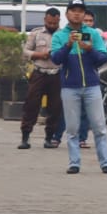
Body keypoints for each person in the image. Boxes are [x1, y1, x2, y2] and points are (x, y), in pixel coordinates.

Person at [50, 0, 107, 175]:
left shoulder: (92, 34)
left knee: (99, 126)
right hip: (70, 87)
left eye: (80, 10)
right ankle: (74, 163)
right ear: (67, 13)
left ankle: (105, 163)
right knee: (72, 128)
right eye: (73, 10)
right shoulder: (59, 36)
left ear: (84, 14)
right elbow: (55, 59)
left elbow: (103, 58)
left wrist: (89, 49)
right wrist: (68, 45)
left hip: (92, 86)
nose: (77, 13)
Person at [19, 8, 65, 149]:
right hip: (39, 73)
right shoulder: (36, 33)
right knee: (31, 105)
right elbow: (25, 51)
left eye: (54, 23)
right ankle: (25, 138)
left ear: (59, 20)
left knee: (55, 107)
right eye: (49, 22)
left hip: (57, 73)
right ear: (45, 20)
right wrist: (39, 55)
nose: (51, 25)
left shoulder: (63, 34)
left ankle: (49, 139)